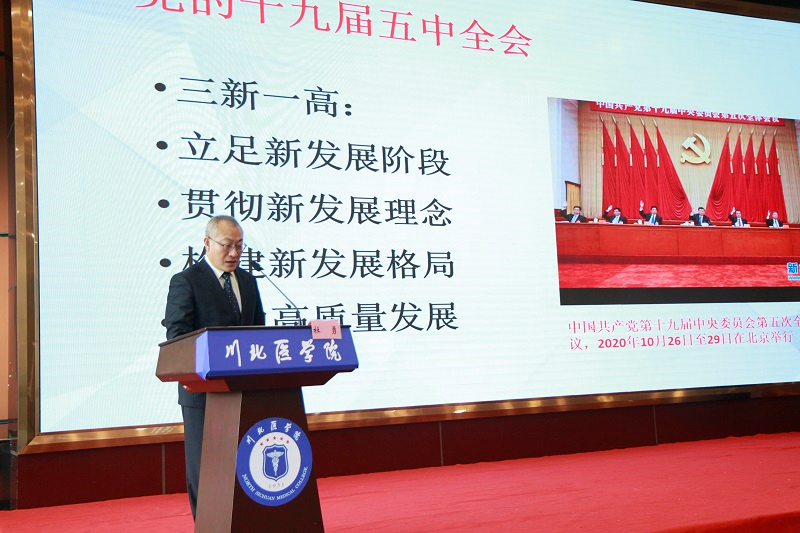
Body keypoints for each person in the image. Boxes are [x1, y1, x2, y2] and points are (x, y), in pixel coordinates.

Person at [164, 215, 266, 520]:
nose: (234, 253)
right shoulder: (186, 281)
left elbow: (258, 330)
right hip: (202, 393)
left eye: (240, 246)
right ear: (207, 243)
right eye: (227, 245)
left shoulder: (247, 281)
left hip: (243, 391)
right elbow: (177, 336)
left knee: (243, 464)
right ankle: (208, 524)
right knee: (205, 468)